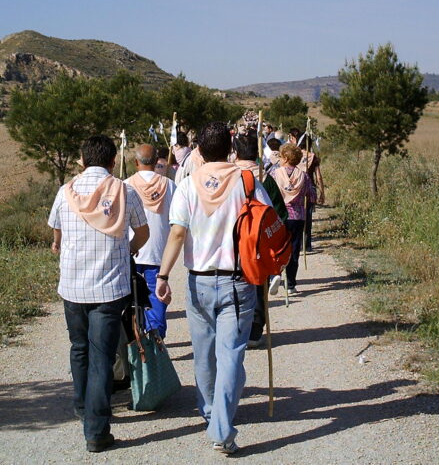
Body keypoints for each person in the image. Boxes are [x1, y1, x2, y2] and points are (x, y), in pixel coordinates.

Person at [156, 122, 274, 455]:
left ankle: (211, 413)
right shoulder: (248, 181)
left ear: (200, 151)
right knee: (232, 354)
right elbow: (268, 223)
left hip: (200, 282)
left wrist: (163, 276)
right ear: (231, 149)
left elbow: (178, 234)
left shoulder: (188, 184)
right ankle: (221, 427)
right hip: (239, 281)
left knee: (204, 355)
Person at [48, 135, 149, 453]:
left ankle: (82, 406)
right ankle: (96, 430)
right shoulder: (125, 190)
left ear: (81, 160)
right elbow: (143, 232)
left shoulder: (65, 193)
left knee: (79, 348)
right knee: (102, 356)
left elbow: (56, 236)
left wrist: (61, 246)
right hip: (108, 287)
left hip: (73, 287)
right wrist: (126, 251)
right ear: (111, 160)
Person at [232, 131, 288, 348]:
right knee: (257, 285)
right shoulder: (267, 179)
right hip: (259, 243)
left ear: (236, 154)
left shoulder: (229, 176)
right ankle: (255, 331)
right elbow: (279, 214)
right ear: (256, 155)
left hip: (234, 241)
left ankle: (238, 329)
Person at [125, 143, 176, 339]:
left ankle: (134, 339)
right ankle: (157, 340)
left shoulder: (125, 185)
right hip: (159, 252)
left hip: (132, 251)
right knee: (157, 297)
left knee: (131, 299)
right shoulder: (169, 186)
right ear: (156, 161)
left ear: (136, 162)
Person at [269, 143, 315, 297]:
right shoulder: (304, 176)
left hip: (279, 217)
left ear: (286, 158)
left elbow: (268, 193)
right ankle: (291, 284)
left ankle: (275, 274)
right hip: (298, 216)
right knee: (294, 250)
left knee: (277, 247)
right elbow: (312, 196)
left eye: (281, 157)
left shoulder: (275, 174)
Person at [289, 129, 325, 252]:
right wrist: (322, 192)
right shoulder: (313, 157)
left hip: (297, 187)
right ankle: (307, 244)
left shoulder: (295, 155)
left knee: (298, 215)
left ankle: (297, 242)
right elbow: (318, 176)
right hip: (310, 188)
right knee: (308, 216)